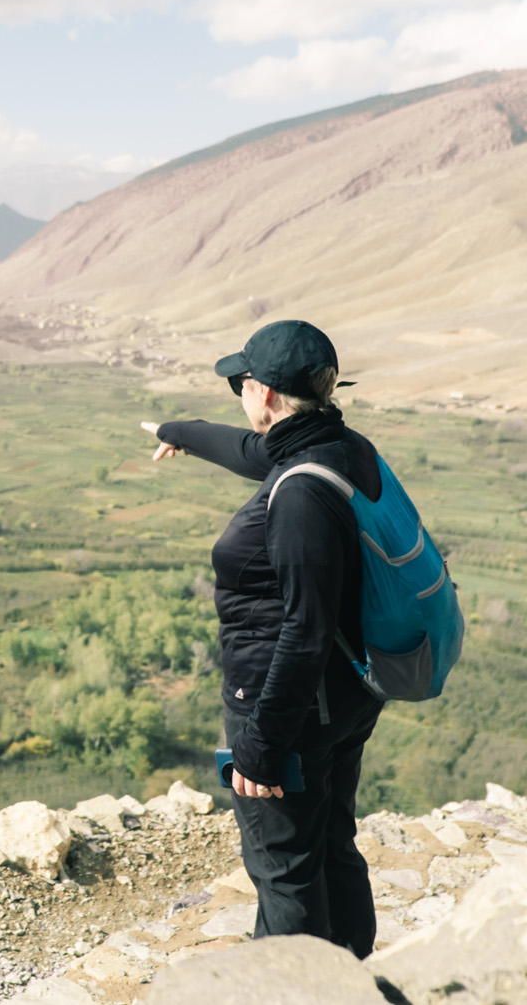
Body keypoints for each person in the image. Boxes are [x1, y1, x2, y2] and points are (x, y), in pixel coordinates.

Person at [139, 319, 384, 958]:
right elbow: (254, 453)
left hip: (294, 708)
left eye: (240, 386)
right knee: (330, 842)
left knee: (285, 872)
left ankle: (290, 985)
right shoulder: (340, 446)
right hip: (346, 693)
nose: (240, 398)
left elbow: (303, 631)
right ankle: (353, 982)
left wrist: (261, 745)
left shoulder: (300, 494)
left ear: (266, 395)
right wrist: (179, 433)